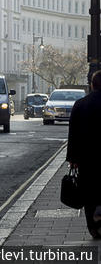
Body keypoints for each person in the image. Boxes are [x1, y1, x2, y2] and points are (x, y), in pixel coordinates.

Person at [67, 70, 101, 239]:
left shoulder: (80, 104)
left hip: (86, 158)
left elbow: (72, 134)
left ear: (92, 85)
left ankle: (93, 227)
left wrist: (72, 159)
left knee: (88, 193)